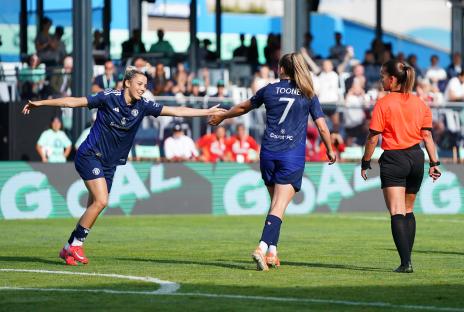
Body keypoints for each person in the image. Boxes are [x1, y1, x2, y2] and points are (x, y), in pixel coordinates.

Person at [22, 66, 225, 266]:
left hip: (110, 163)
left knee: (93, 206)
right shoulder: (108, 97)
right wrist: (42, 103)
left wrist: (206, 111)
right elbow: (73, 102)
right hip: (90, 155)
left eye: (145, 85)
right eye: (139, 84)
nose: (143, 88)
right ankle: (76, 245)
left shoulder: (143, 105)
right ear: (127, 83)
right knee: (101, 201)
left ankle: (67, 248)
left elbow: (175, 110)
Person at [209, 52, 336, 271]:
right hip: (291, 156)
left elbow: (242, 108)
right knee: (278, 206)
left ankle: (272, 252)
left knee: (276, 206)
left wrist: (222, 116)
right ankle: (261, 247)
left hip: (268, 154)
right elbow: (322, 127)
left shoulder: (269, 89)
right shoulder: (307, 93)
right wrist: (330, 148)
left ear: (281, 69)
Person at [361, 59, 441, 273]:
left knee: (396, 211)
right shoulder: (420, 103)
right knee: (408, 210)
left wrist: (365, 161)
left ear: (393, 79)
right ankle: (408, 258)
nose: (381, 81)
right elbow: (427, 136)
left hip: (394, 159)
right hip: (417, 158)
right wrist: (434, 162)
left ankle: (406, 263)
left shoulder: (384, 103)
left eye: (382, 77)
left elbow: (373, 137)